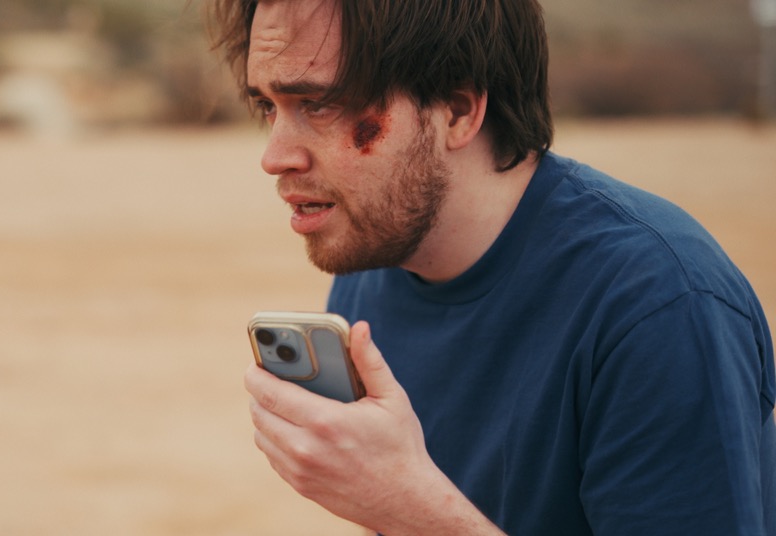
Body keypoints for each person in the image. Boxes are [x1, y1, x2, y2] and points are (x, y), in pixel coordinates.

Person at [209, 0, 776, 534]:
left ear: (457, 110)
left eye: (319, 103)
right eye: (268, 106)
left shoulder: (659, 306)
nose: (274, 155)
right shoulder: (369, 273)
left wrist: (415, 510)